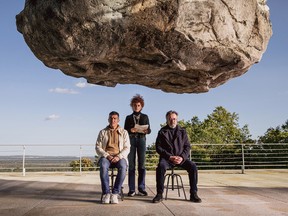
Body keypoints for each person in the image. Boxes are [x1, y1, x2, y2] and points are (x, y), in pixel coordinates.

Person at [152, 110, 202, 203]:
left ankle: (193, 194)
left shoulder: (183, 131)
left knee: (193, 166)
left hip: (181, 158)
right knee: (160, 167)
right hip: (167, 159)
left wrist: (182, 157)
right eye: (170, 119)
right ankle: (159, 194)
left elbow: (187, 146)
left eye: (174, 119)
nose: (172, 121)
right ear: (167, 120)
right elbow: (158, 147)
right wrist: (170, 157)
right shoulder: (162, 131)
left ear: (177, 119)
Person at [96, 111, 130, 204]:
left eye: (115, 118)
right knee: (103, 166)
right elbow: (98, 147)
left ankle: (115, 193)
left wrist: (119, 157)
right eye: (111, 118)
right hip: (106, 157)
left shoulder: (124, 132)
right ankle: (106, 193)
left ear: (118, 120)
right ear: (108, 119)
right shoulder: (102, 132)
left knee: (123, 167)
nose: (113, 120)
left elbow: (127, 147)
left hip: (119, 157)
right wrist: (107, 156)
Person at [124, 94, 151, 196]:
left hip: (141, 140)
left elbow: (149, 130)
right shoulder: (128, 117)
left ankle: (141, 188)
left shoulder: (145, 116)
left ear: (141, 106)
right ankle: (131, 189)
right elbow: (125, 130)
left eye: (138, 105)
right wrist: (130, 130)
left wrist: (146, 131)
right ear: (132, 106)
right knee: (131, 165)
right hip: (131, 141)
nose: (136, 107)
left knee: (142, 165)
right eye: (135, 105)